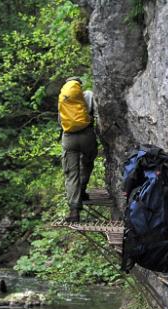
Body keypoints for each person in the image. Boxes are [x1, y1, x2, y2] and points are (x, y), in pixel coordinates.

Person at [58, 76, 98, 222]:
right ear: (79, 86)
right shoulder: (88, 95)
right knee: (87, 163)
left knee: (71, 173)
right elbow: (95, 113)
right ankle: (82, 189)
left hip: (69, 138)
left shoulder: (64, 99)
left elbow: (60, 121)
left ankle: (74, 211)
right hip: (87, 135)